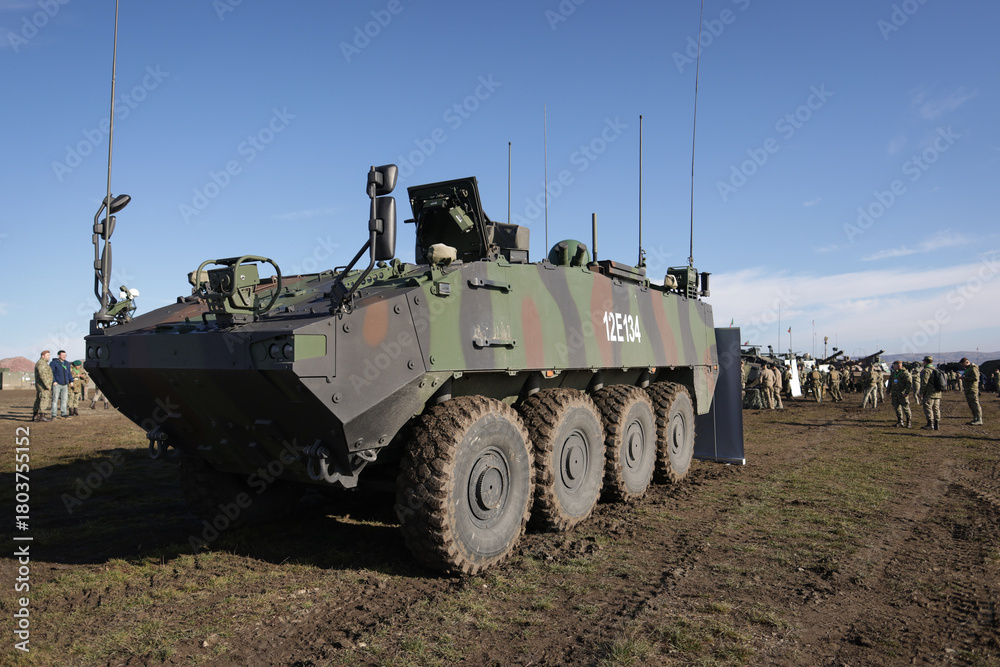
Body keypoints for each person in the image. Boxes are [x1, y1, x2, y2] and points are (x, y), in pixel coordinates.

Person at [50, 349, 73, 419]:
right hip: (57, 384)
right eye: (63, 355)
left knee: (64, 400)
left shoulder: (67, 363)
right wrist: (54, 381)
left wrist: (71, 381)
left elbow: (69, 373)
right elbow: (51, 373)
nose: (64, 356)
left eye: (65, 355)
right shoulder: (53, 363)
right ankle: (54, 414)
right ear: (58, 355)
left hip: (65, 384)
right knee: (55, 399)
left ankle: (64, 413)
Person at [920, 355, 942, 430]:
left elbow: (924, 382)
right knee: (936, 408)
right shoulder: (936, 369)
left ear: (925, 361)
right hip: (937, 393)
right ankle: (937, 424)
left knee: (928, 407)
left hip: (929, 393)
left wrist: (921, 392)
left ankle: (930, 424)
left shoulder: (926, 370)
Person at [960, 357, 983, 425]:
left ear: (967, 362)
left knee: (975, 404)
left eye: (963, 364)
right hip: (968, 389)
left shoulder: (973, 368)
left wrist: (964, 378)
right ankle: (975, 418)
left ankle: (979, 419)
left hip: (972, 389)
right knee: (971, 404)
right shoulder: (968, 369)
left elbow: (975, 378)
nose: (962, 366)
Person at [889, 360, 912, 427]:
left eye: (895, 365)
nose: (893, 366)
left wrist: (906, 392)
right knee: (897, 408)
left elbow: (909, 384)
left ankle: (908, 422)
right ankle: (900, 421)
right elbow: (890, 383)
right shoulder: (893, 373)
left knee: (906, 407)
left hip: (902, 394)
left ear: (899, 365)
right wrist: (888, 391)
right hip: (895, 394)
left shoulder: (905, 373)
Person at [33, 350, 53, 422]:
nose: (49, 357)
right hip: (43, 385)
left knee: (39, 399)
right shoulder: (42, 364)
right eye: (47, 355)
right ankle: (42, 416)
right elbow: (43, 375)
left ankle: (35, 416)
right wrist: (47, 385)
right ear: (43, 356)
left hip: (41, 385)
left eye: (49, 355)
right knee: (44, 399)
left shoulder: (42, 363)